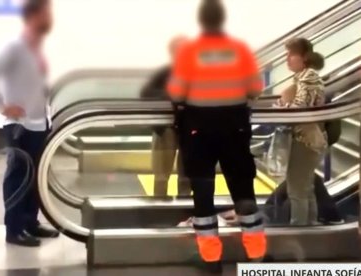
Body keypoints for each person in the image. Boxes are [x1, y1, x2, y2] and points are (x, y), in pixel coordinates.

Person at [167, 0, 267, 272]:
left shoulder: (190, 52)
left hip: (199, 130)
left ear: (201, 21)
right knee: (243, 189)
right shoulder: (239, 50)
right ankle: (256, 253)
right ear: (223, 20)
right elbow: (256, 88)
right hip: (234, 128)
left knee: (203, 192)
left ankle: (212, 259)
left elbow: (176, 92)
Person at [0, 0, 59, 247]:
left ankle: (30, 222)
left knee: (35, 176)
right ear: (34, 16)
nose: (50, 17)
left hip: (39, 122)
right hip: (20, 125)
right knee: (18, 176)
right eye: (47, 12)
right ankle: (14, 229)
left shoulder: (35, 49)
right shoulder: (15, 47)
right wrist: (2, 106)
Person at [277, 38, 327, 226]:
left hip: (305, 139)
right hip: (307, 138)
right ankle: (310, 224)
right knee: (305, 187)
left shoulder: (309, 77)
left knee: (297, 188)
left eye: (291, 55)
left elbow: (300, 107)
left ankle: (299, 227)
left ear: (304, 57)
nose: (287, 59)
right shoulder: (303, 76)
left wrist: (283, 107)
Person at [140, 36, 191, 197]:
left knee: (188, 174)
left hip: (189, 128)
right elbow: (146, 93)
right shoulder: (164, 73)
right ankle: (159, 203)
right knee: (161, 173)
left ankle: (184, 205)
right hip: (165, 127)